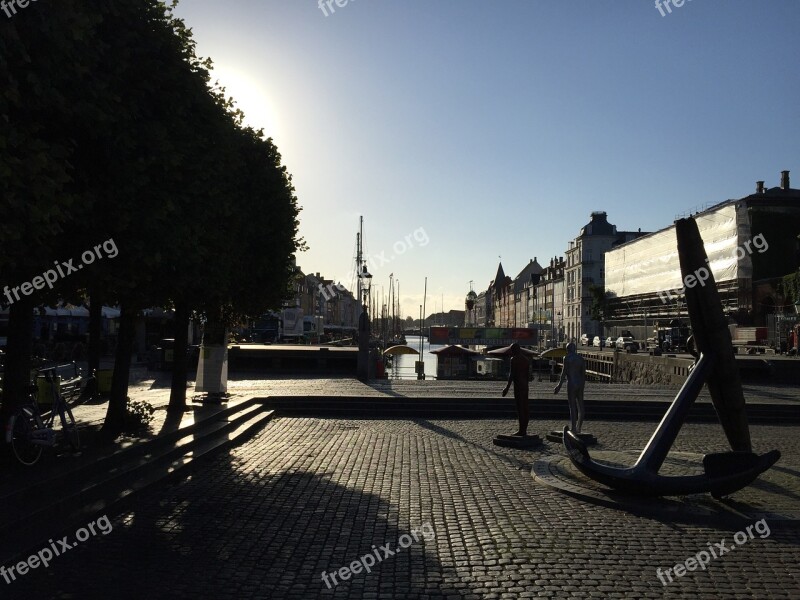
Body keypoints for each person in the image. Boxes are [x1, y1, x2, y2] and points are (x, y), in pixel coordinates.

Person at [553, 342, 586, 433]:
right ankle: (579, 427)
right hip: (580, 383)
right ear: (574, 349)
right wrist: (582, 385)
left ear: (567, 350)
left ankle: (573, 428)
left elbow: (564, 373)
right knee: (581, 406)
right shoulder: (581, 359)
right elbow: (583, 374)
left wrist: (559, 386)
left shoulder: (566, 358)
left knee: (572, 406)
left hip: (571, 383)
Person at [501, 343, 530, 436]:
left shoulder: (514, 359)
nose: (512, 352)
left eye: (512, 350)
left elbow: (512, 375)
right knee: (525, 407)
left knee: (520, 408)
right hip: (525, 385)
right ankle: (524, 429)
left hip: (518, 385)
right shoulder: (526, 360)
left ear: (515, 350)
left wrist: (507, 388)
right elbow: (528, 375)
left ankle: (522, 430)